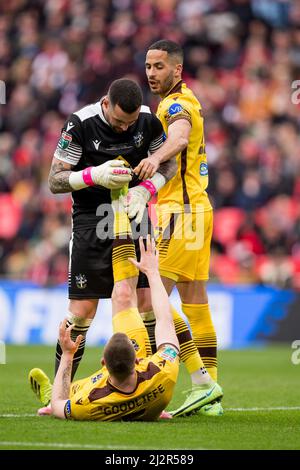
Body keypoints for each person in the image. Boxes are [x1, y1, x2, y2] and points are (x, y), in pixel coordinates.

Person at [36, 78, 177, 415]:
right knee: (82, 311)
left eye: (129, 124)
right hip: (91, 218)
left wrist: (148, 187)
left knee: (145, 305)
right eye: (118, 122)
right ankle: (59, 393)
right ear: (105, 103)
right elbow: (54, 180)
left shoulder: (148, 121)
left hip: (134, 212)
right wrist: (93, 176)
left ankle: (146, 392)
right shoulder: (80, 124)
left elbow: (169, 162)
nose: (125, 128)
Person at [125, 40, 223, 417]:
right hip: (198, 209)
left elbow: (180, 137)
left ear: (177, 70)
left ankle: (198, 381)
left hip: (180, 212)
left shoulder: (175, 104)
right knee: (195, 302)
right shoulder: (184, 98)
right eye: (148, 65)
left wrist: (154, 157)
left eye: (160, 66)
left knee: (151, 298)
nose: (151, 73)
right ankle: (209, 396)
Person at [29, 196, 185, 421]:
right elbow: (165, 321)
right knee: (123, 294)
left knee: (122, 293)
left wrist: (68, 355)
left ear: (104, 365)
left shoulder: (88, 402)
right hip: (146, 390)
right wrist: (152, 271)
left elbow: (57, 405)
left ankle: (118, 200)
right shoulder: (163, 372)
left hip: (94, 391)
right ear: (139, 359)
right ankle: (121, 204)